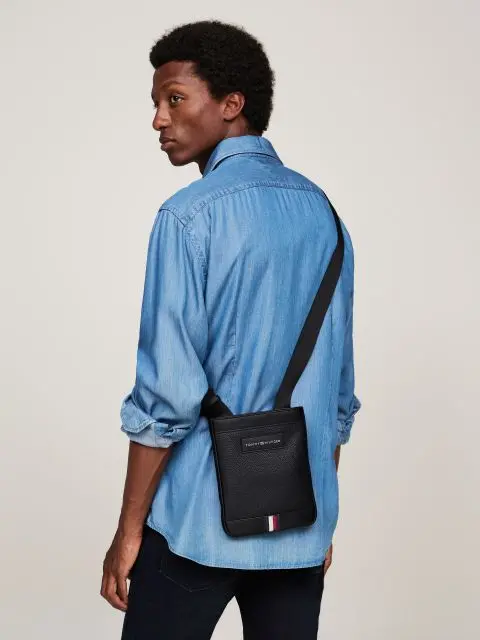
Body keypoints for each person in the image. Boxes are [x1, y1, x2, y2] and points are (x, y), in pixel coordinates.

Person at [100, 19, 361, 640]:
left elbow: (166, 397)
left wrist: (128, 531)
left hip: (196, 524)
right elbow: (337, 392)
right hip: (298, 526)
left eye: (175, 99)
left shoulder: (187, 217)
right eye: (157, 103)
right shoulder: (325, 214)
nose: (159, 119)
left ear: (231, 104)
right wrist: (319, 509)